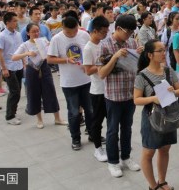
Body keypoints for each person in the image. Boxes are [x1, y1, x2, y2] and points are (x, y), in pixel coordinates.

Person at [98, 14, 144, 178]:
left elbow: (136, 68)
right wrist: (115, 57)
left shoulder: (131, 42)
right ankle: (113, 162)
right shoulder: (105, 45)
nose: (129, 36)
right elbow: (102, 73)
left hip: (130, 94)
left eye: (132, 33)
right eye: (127, 32)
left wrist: (139, 55)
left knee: (127, 128)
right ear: (117, 29)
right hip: (113, 96)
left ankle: (126, 157)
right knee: (112, 131)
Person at [134, 40, 179, 190]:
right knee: (149, 151)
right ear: (150, 55)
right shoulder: (142, 75)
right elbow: (136, 99)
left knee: (165, 149)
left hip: (169, 116)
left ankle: (162, 181)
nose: (163, 53)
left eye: (164, 50)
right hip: (152, 118)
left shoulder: (168, 71)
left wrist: (173, 92)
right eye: (160, 51)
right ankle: (153, 185)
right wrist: (153, 98)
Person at [47, 15, 94, 151]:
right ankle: (76, 138)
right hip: (69, 82)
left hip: (86, 79)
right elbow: (50, 59)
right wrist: (66, 60)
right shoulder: (57, 39)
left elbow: (91, 51)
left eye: (74, 31)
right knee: (74, 112)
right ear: (63, 28)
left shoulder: (84, 35)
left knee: (90, 110)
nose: (72, 34)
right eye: (69, 32)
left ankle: (92, 133)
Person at [12, 23, 66, 129]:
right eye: (33, 31)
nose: (36, 33)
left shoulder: (44, 41)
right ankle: (39, 119)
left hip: (45, 68)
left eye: (37, 31)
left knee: (50, 91)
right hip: (32, 70)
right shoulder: (25, 45)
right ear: (28, 33)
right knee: (34, 94)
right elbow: (14, 57)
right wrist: (27, 54)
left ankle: (57, 118)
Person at [82, 16, 110, 162]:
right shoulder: (88, 48)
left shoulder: (104, 44)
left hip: (109, 88)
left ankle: (112, 144)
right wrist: (103, 64)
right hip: (97, 90)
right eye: (103, 32)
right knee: (97, 121)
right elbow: (87, 70)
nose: (105, 34)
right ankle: (98, 148)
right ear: (95, 31)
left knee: (112, 120)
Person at [0, 12, 24, 125]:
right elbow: (0, 53)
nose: (16, 23)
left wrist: (24, 62)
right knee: (14, 91)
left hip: (19, 66)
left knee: (18, 90)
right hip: (9, 67)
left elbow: (21, 49)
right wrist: (4, 69)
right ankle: (9, 116)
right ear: (7, 22)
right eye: (14, 21)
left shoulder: (18, 34)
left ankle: (14, 111)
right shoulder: (2, 36)